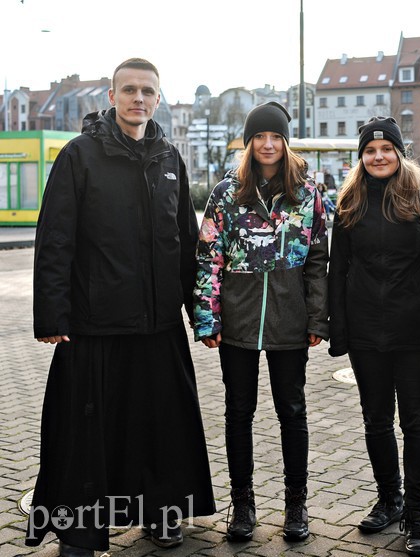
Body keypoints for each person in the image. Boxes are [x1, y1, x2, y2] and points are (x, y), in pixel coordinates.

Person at [27, 58, 215, 557]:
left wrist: (201, 316)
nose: (138, 98)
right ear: (111, 97)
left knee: (161, 428)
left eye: (147, 91)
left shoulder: (171, 158)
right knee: (89, 438)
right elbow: (55, 241)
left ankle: (161, 516)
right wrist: (51, 315)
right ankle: (82, 532)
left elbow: (184, 247)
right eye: (128, 90)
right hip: (95, 325)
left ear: (158, 99)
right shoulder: (79, 156)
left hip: (158, 326)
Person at [193, 101, 328, 543]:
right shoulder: (226, 193)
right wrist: (207, 318)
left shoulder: (308, 193)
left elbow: (318, 261)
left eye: (275, 137)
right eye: (259, 137)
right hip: (239, 320)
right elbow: (208, 257)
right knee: (238, 412)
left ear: (285, 143)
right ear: (248, 143)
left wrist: (317, 318)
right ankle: (243, 503)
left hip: (289, 320)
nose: (268, 145)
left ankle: (296, 504)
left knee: (292, 411)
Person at [328, 117, 420, 556]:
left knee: (417, 422)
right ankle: (389, 499)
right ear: (362, 157)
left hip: (415, 330)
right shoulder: (349, 200)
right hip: (365, 331)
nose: (378, 157)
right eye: (370, 151)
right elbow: (339, 268)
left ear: (399, 153)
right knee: (376, 419)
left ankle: (417, 513)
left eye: (386, 150)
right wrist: (339, 329)